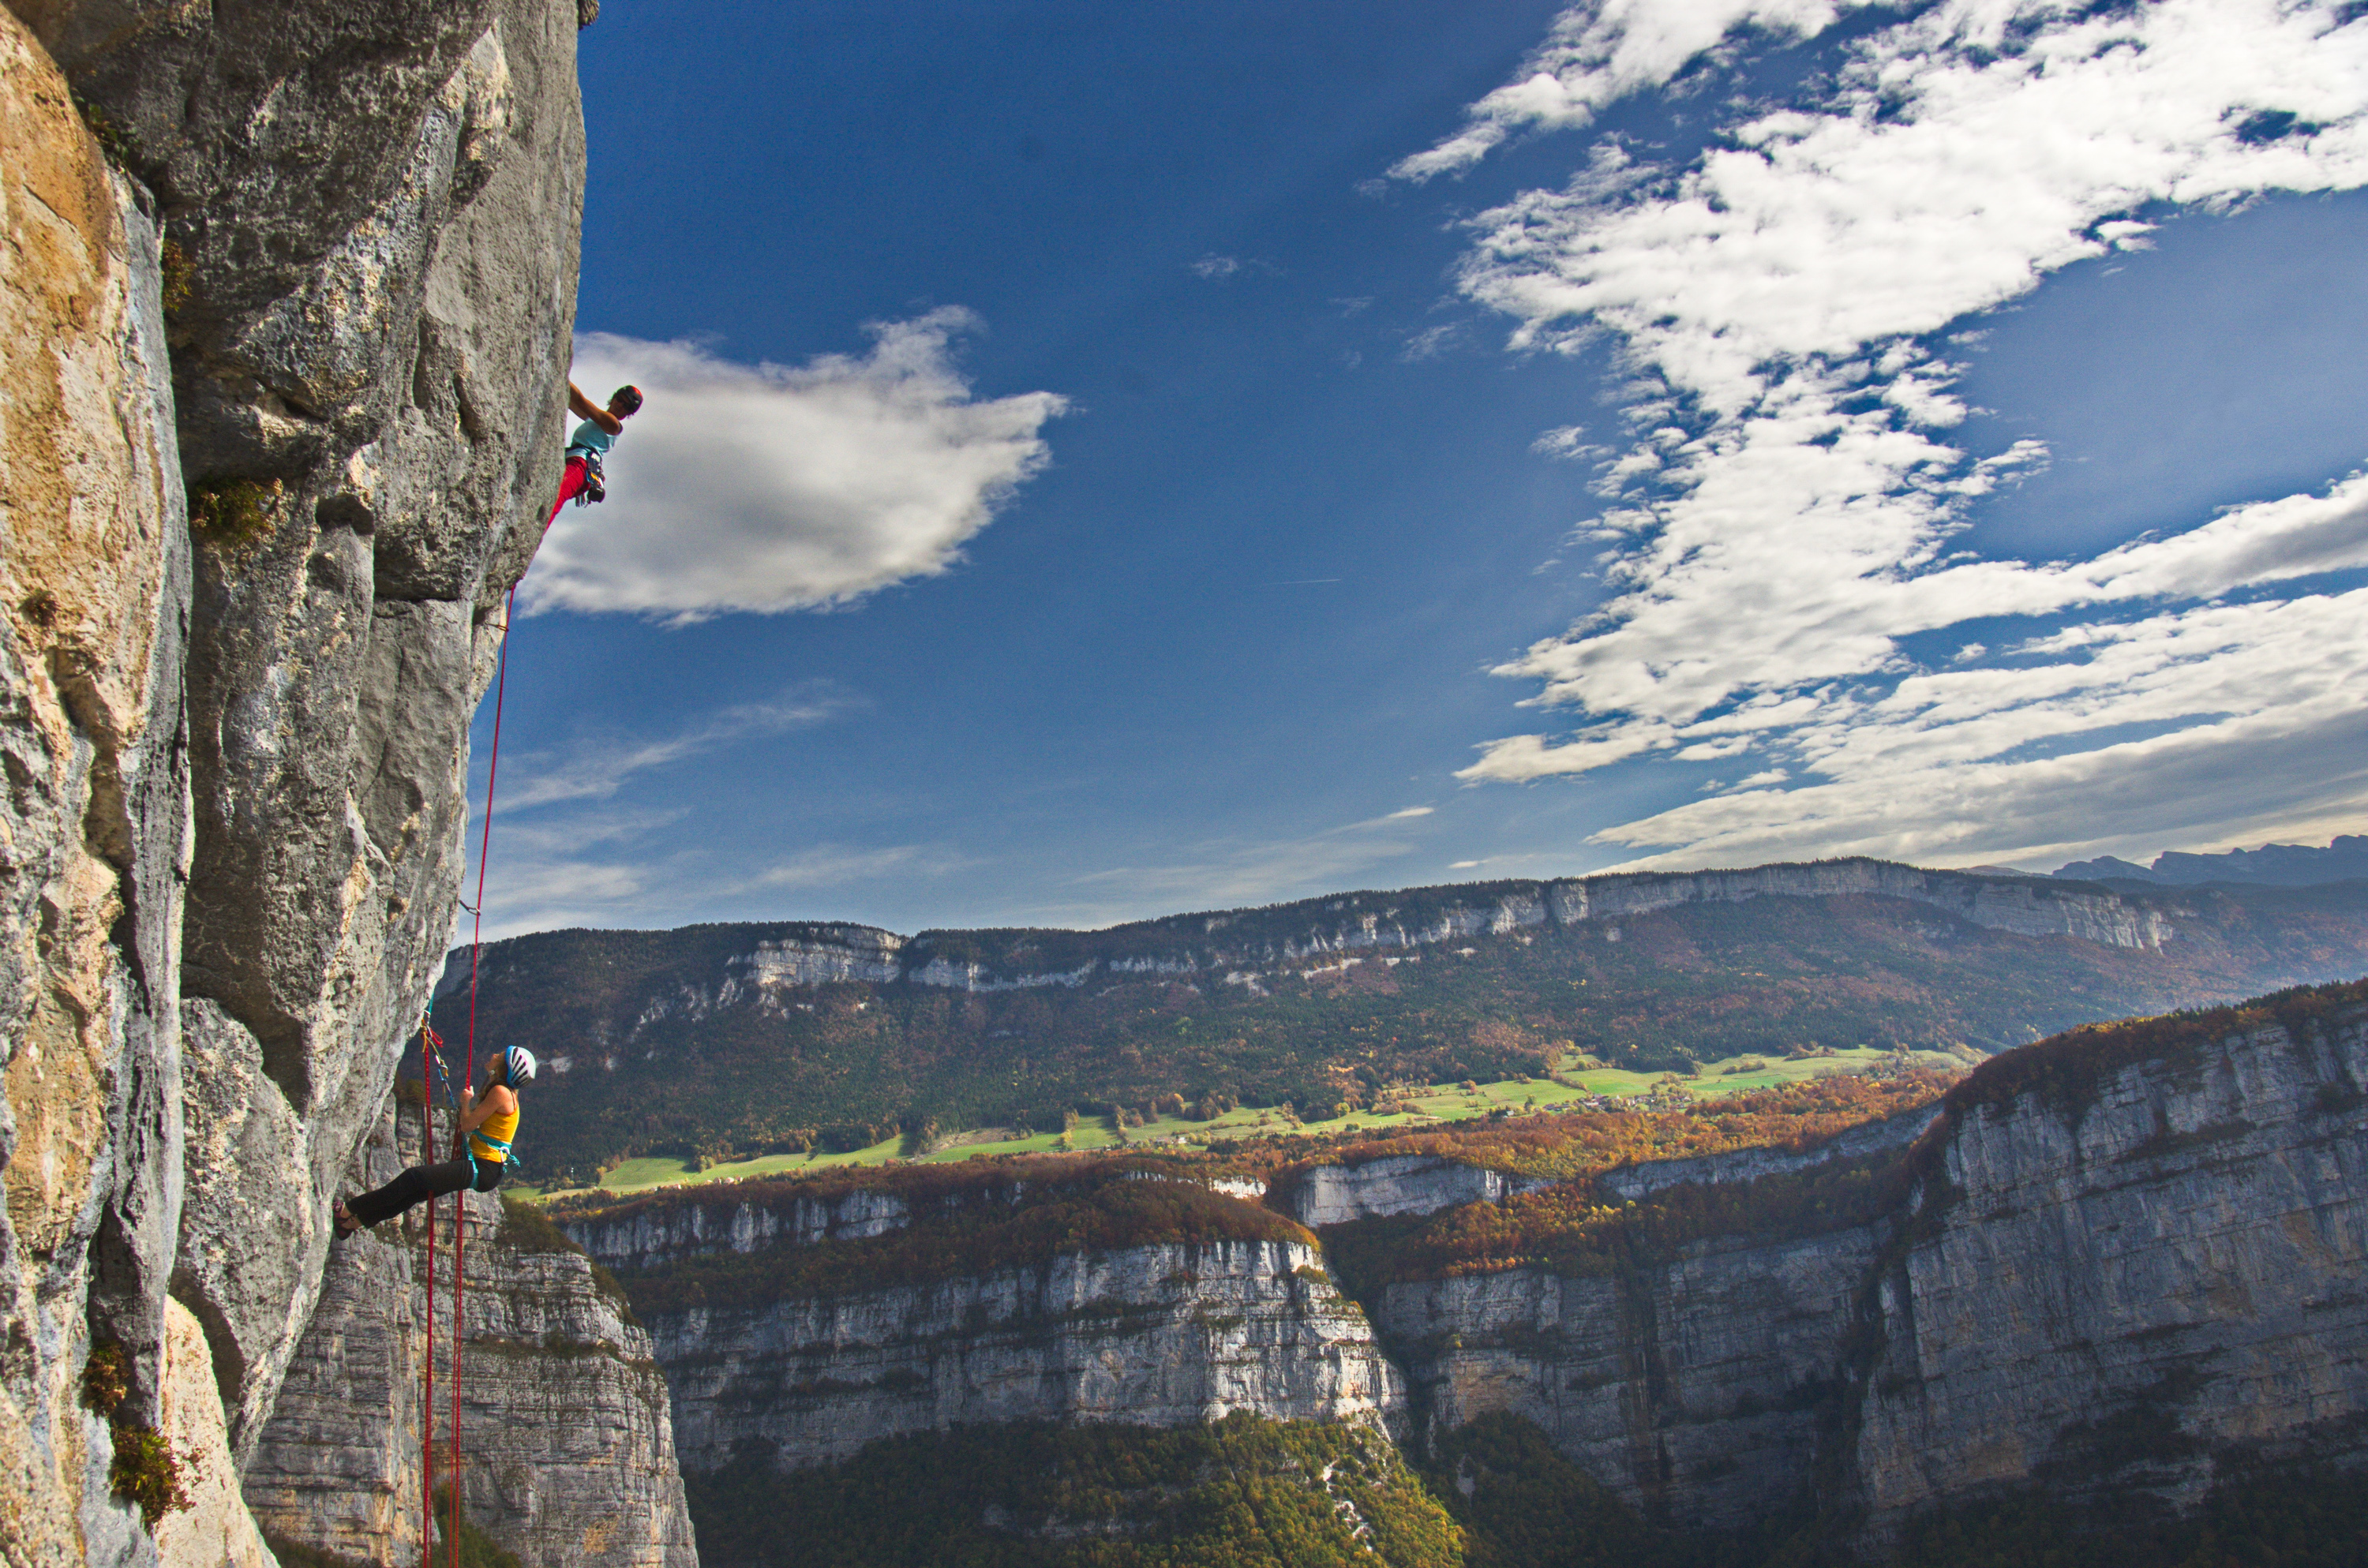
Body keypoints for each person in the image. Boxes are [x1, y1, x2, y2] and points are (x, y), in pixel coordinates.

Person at [335, 1046, 537, 1234]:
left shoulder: (500, 1093)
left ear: (504, 1068)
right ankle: (353, 1224)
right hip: (486, 1167)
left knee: (413, 1178)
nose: (494, 1056)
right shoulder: (508, 1094)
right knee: (416, 1192)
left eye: (499, 1057)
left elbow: (468, 1125)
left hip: (484, 1167)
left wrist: (465, 1102)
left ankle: (348, 1210)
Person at [544, 381, 643, 527]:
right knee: (548, 495)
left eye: (626, 406)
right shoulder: (594, 420)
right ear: (614, 398)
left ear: (628, 414)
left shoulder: (612, 424)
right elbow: (571, 400)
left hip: (582, 466)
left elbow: (581, 402)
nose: (620, 405)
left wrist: (562, 377)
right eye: (620, 399)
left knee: (554, 497)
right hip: (574, 462)